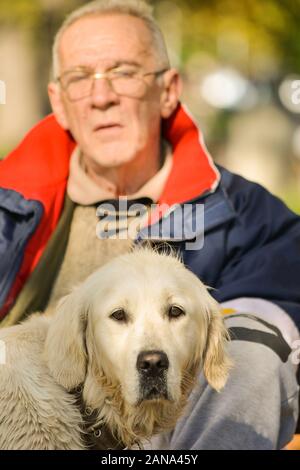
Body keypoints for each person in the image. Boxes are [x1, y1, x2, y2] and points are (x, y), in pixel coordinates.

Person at [0, 0, 300, 450]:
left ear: (167, 90)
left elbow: (254, 360)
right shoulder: (9, 200)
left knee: (250, 349)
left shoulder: (247, 216)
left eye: (123, 71)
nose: (102, 97)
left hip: (166, 431)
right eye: (80, 78)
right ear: (59, 103)